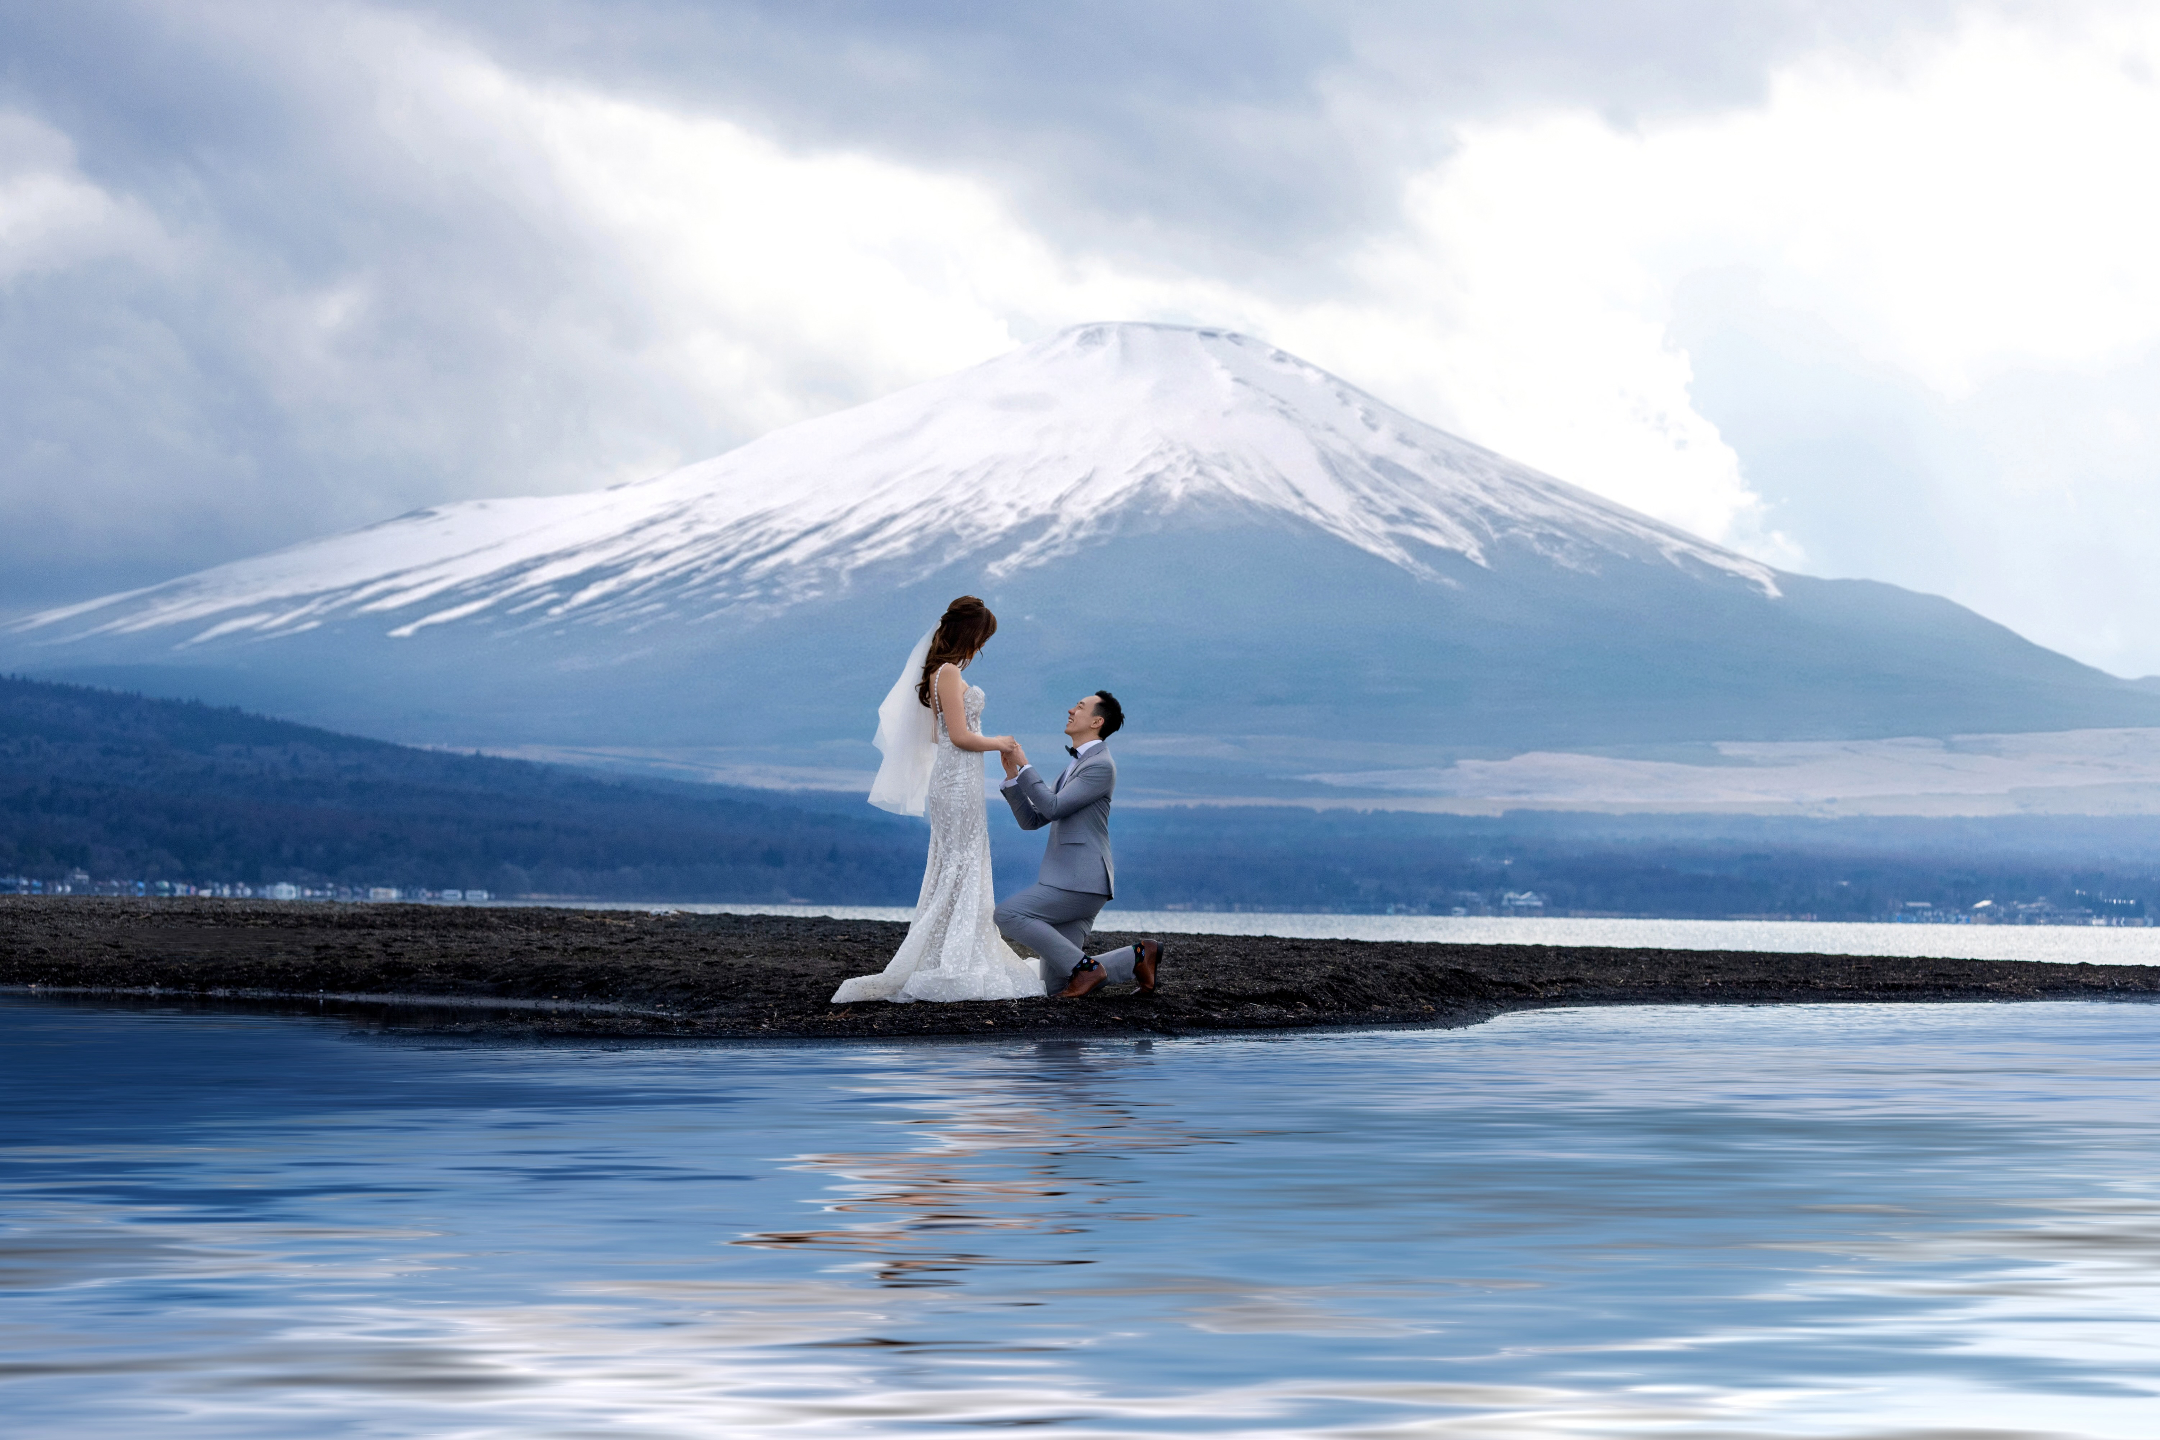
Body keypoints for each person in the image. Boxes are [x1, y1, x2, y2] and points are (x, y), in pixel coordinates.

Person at [832, 598, 1042, 1003]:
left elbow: (939, 735)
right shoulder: (947, 673)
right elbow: (959, 738)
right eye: (982, 638)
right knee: (961, 860)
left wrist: (975, 738)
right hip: (957, 781)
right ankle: (952, 955)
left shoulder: (942, 672)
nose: (981, 647)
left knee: (959, 860)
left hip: (958, 777)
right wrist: (1000, 742)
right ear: (970, 634)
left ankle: (950, 947)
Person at [994, 691, 1164, 998]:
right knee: (1055, 986)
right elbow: (1033, 820)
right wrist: (1011, 778)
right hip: (1069, 880)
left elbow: (1054, 807)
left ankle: (1087, 969)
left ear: (1097, 721)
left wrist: (1025, 767)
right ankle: (1139, 956)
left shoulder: (1101, 766)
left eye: (1080, 707)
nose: (1071, 710)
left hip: (1079, 881)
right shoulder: (1076, 765)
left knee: (1007, 914)